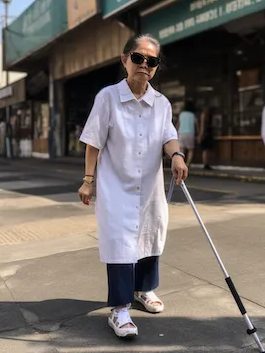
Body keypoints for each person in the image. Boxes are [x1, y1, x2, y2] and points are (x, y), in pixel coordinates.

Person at [77, 34, 188, 339]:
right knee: (121, 243)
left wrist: (176, 155)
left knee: (152, 233)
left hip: (148, 186)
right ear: (124, 60)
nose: (144, 65)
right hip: (116, 186)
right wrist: (88, 180)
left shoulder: (161, 103)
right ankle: (120, 309)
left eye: (151, 61)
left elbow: (169, 136)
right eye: (138, 58)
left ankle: (144, 289)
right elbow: (93, 142)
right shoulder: (108, 97)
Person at [177, 100, 197, 167]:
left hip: (181, 133)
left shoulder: (181, 114)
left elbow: (178, 124)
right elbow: (196, 124)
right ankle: (188, 163)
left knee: (181, 148)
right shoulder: (193, 115)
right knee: (190, 149)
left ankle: (181, 162)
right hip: (190, 133)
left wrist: (176, 132)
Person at [198, 105, 215, 169]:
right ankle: (206, 163)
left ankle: (206, 163)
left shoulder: (205, 115)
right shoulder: (205, 115)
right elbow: (203, 126)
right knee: (206, 149)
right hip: (206, 134)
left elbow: (202, 126)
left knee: (207, 149)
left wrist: (201, 134)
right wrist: (201, 134)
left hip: (206, 134)